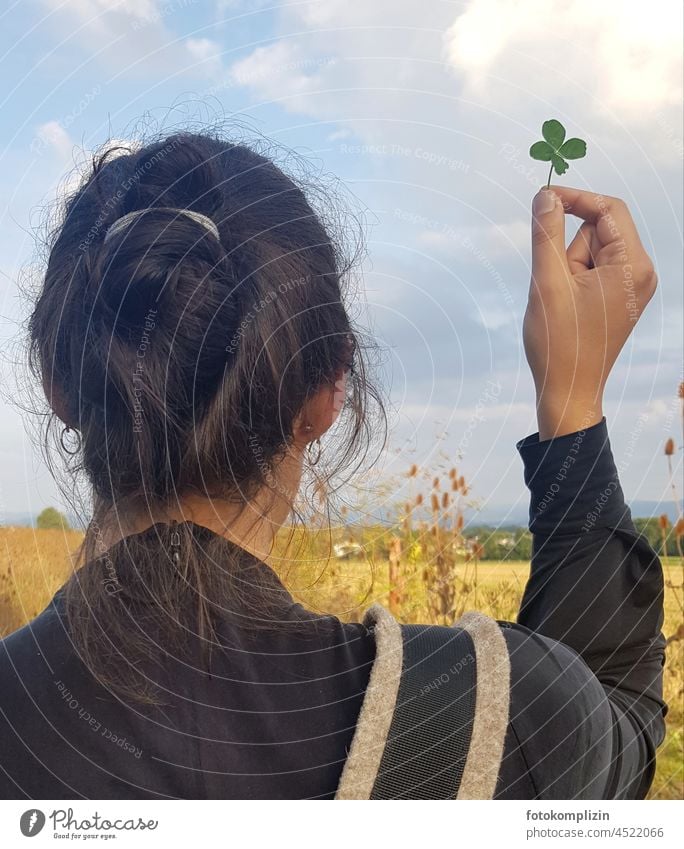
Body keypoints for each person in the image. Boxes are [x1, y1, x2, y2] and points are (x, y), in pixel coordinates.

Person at [0, 132, 665, 799]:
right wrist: (571, 395)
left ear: (59, 385)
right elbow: (615, 719)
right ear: (326, 392)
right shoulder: (489, 721)